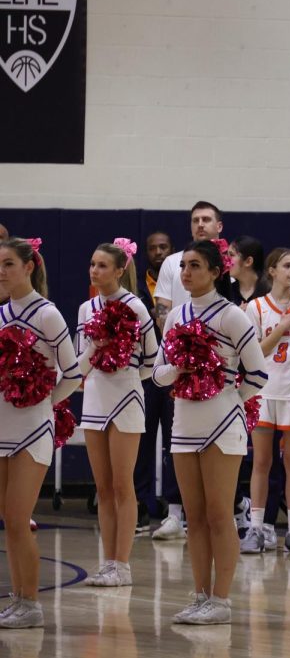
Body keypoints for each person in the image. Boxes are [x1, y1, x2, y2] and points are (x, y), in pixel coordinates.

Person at [152, 240, 268, 625]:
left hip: (222, 425)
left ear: (217, 272)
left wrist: (230, 400)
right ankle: (200, 595)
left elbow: (258, 374)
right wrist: (182, 372)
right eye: (183, 265)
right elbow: (158, 373)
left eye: (195, 266)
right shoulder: (176, 316)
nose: (186, 272)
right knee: (194, 517)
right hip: (183, 423)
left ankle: (221, 599)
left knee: (220, 515)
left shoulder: (234, 316)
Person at [0, 238, 82, 629]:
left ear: (29, 267)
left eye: (8, 263)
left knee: (19, 517)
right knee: (7, 518)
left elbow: (74, 372)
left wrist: (46, 401)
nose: (1, 271)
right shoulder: (0, 315)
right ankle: (17, 598)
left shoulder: (47, 314)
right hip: (1, 426)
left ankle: (31, 604)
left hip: (32, 428)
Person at [76, 239, 158, 587]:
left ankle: (122, 565)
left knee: (123, 485)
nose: (95, 270)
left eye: (103, 265)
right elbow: (80, 360)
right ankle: (107, 562)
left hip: (126, 398)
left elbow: (152, 361)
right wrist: (97, 354)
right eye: (93, 264)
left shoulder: (137, 307)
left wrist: (121, 375)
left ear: (120, 269)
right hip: (94, 398)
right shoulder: (85, 309)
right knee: (103, 487)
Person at [151, 201, 224, 540]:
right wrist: (182, 348)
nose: (200, 224)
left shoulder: (230, 260)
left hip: (222, 369)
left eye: (207, 219)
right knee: (176, 437)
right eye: (195, 219)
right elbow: (162, 309)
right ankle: (176, 512)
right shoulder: (170, 263)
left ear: (219, 225)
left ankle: (231, 508)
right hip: (182, 364)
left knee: (221, 444)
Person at [242, 248, 290, 554]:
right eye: (287, 265)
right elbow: (255, 353)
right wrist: (282, 328)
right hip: (263, 391)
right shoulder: (256, 307)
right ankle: (256, 529)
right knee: (262, 461)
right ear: (271, 271)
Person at [137, 230, 173, 523]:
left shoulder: (181, 280)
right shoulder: (136, 287)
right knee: (143, 439)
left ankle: (175, 504)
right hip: (145, 374)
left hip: (175, 371)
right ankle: (142, 500)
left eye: (163, 247)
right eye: (153, 248)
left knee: (177, 440)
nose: (158, 252)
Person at [221, 236, 270, 307]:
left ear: (248, 261)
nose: (225, 260)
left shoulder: (270, 292)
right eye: (226, 254)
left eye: (231, 255)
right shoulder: (226, 292)